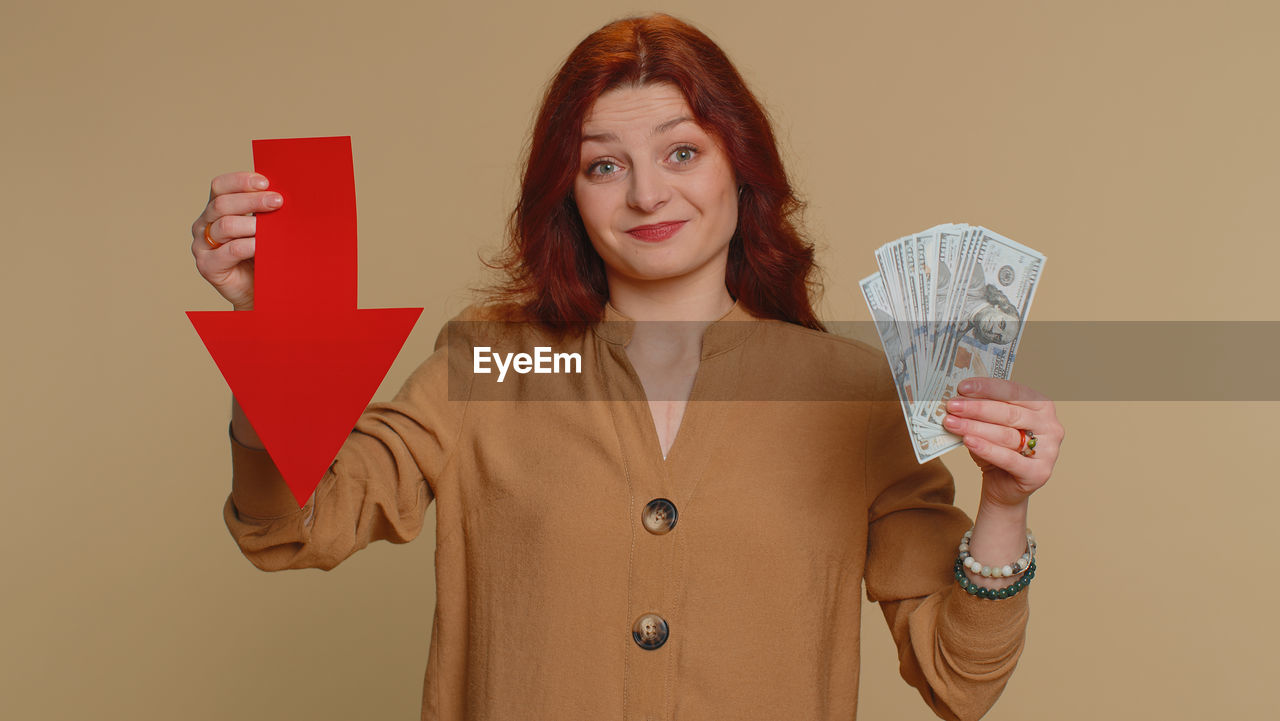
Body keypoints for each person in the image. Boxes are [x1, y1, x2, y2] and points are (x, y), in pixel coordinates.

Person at [189, 13, 1064, 721]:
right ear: (566, 193)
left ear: (740, 165)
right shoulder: (490, 360)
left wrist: (1005, 502)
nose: (647, 194)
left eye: (682, 152)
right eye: (605, 165)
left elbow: (960, 677)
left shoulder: (852, 395)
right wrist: (269, 331)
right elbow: (292, 524)